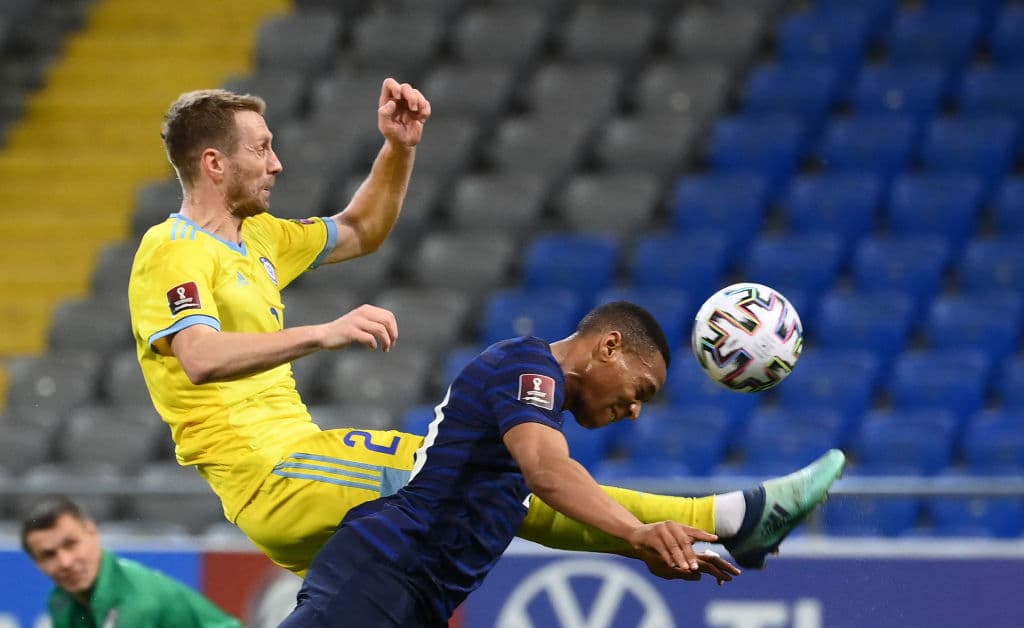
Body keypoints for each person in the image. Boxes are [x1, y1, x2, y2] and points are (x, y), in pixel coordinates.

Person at [128, 79, 843, 582]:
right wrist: (322, 332)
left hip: (305, 472)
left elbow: (360, 228)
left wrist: (398, 149)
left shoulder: (259, 241)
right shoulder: (174, 251)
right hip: (275, 476)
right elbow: (198, 355)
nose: (277, 162)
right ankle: (726, 519)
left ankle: (715, 528)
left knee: (480, 501)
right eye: (262, 148)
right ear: (215, 163)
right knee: (476, 471)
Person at [278, 303, 845, 626]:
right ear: (608, 346)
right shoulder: (525, 368)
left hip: (415, 597)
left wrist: (645, 547)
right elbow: (549, 475)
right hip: (382, 572)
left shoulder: (540, 407)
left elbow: (555, 508)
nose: (634, 409)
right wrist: (638, 530)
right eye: (639, 387)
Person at [20, 496, 240, 628]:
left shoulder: (137, 601)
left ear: (91, 532)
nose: (65, 562)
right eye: (49, 555)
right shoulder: (60, 601)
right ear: (36, 563)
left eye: (71, 544)